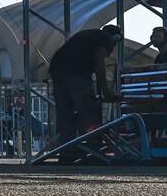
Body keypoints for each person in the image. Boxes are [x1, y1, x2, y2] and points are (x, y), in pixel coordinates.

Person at [48, 24, 122, 154]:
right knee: (89, 111)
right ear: (115, 38)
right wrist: (105, 89)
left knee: (65, 114)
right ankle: (94, 148)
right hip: (77, 73)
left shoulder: (87, 33)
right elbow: (99, 61)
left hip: (57, 69)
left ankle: (67, 151)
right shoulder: (105, 38)